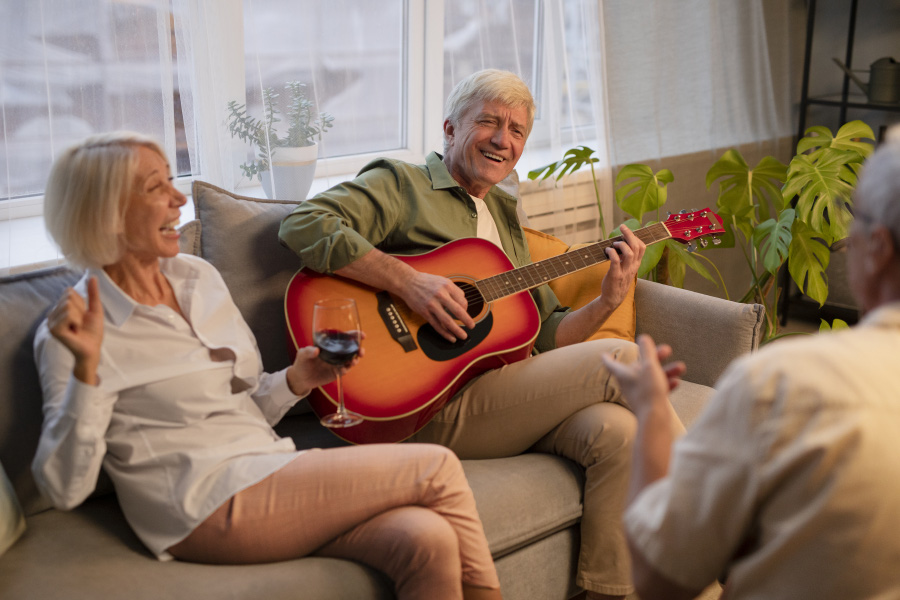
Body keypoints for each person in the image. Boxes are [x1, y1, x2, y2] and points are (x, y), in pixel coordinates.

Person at [31, 132, 503, 600]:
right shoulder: (76, 331)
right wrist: (86, 373)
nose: (178, 199)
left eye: (173, 182)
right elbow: (63, 490)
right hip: (198, 505)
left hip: (268, 466)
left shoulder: (198, 278)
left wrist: (299, 379)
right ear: (106, 214)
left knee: (425, 539)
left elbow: (244, 406)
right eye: (156, 189)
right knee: (437, 467)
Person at [279, 68, 683, 600]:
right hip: (421, 403)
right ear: (449, 129)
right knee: (624, 357)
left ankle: (606, 592)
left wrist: (608, 298)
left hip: (503, 396)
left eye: (517, 130)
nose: (503, 139)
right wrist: (410, 282)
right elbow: (305, 224)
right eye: (488, 121)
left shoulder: (501, 211)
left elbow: (547, 333)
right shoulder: (404, 185)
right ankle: (714, 510)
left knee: (619, 433)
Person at [602, 126, 900, 600]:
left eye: (852, 221)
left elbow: (660, 578)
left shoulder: (782, 382)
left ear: (879, 248)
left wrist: (653, 409)